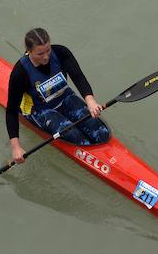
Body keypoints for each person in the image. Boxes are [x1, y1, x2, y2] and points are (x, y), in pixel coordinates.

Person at [6, 28, 110, 163]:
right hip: (41, 110)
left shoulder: (61, 52)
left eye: (48, 50)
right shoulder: (20, 73)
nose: (46, 57)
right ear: (29, 51)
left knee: (101, 132)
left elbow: (78, 77)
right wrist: (16, 148)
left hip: (66, 98)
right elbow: (11, 111)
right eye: (40, 53)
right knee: (76, 137)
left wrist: (90, 101)